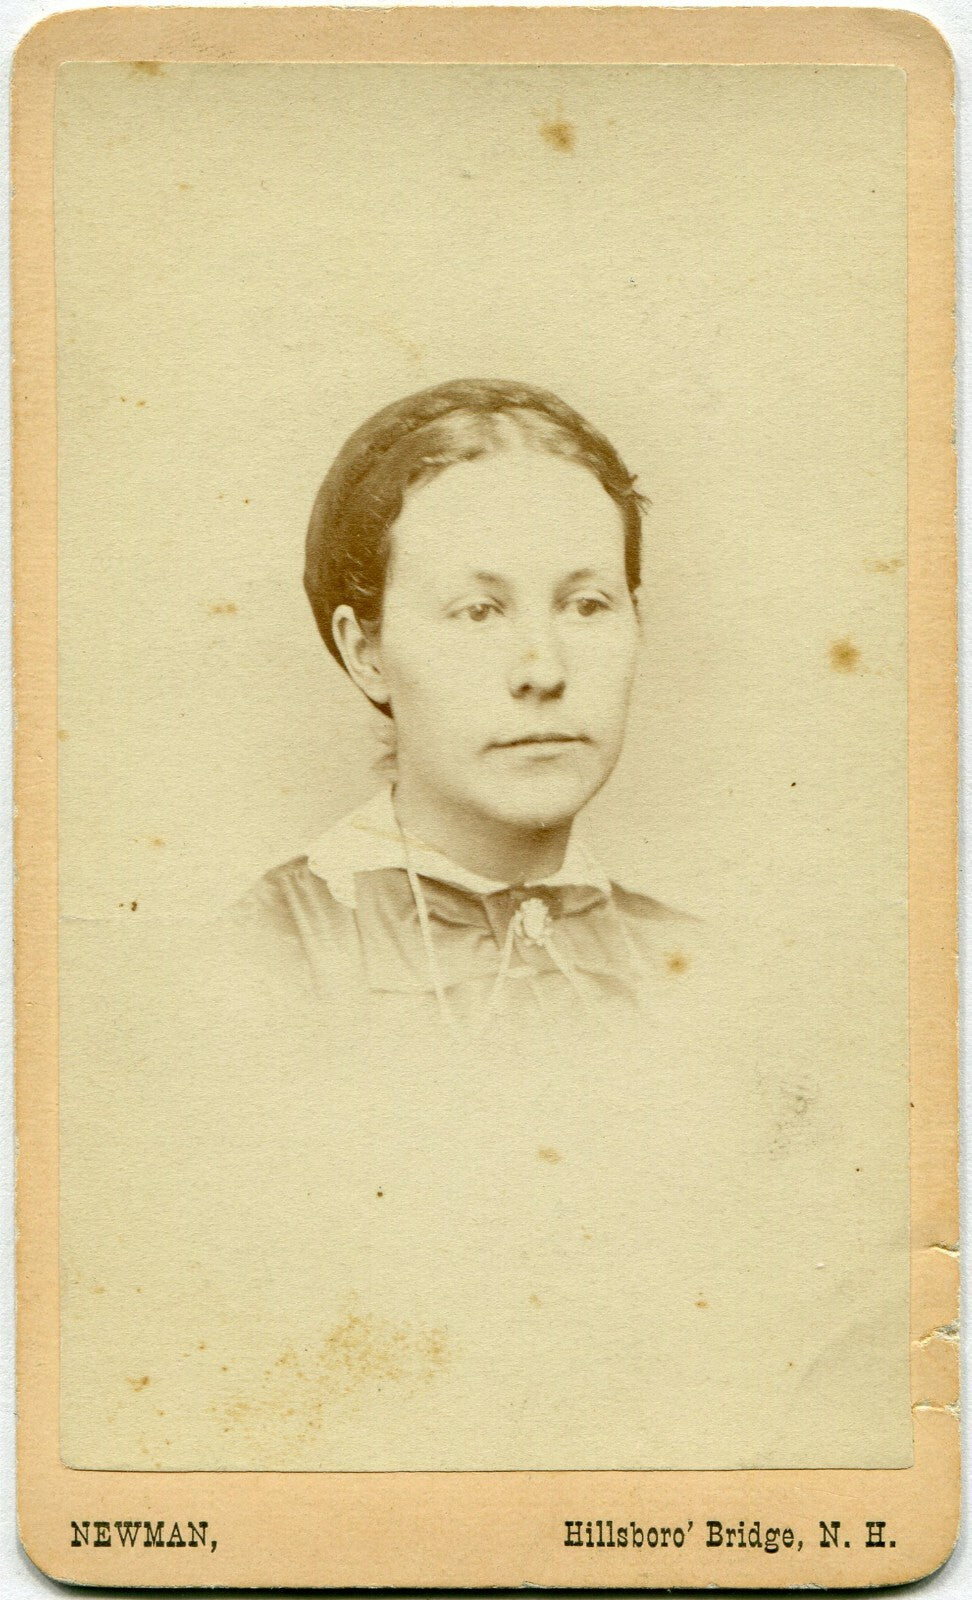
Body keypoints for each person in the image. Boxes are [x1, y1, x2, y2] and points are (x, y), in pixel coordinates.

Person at [230, 377, 699, 1043]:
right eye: (478, 611)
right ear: (366, 651)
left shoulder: (705, 970)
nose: (544, 670)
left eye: (587, 604)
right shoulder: (265, 959)